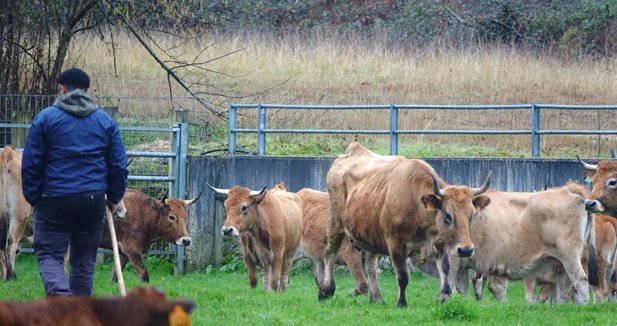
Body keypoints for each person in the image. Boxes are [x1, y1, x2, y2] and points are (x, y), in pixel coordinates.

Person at [21, 68, 128, 297]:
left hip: (55, 197)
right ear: (87, 91)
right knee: (84, 261)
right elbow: (118, 165)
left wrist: (35, 197)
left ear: (62, 89)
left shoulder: (46, 118)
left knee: (50, 255)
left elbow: (31, 163)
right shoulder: (104, 121)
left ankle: (62, 300)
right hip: (93, 198)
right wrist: (113, 197)